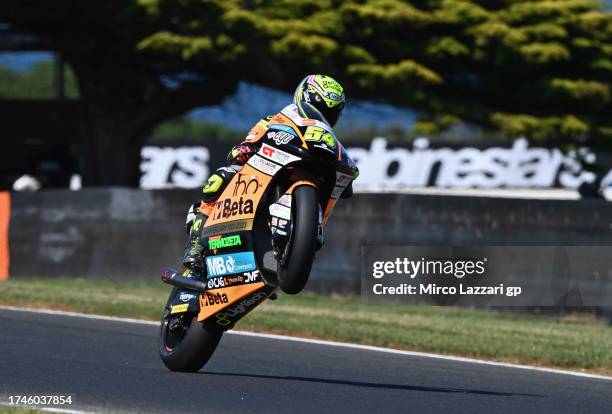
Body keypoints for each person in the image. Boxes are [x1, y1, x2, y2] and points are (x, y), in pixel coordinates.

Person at [182, 74, 348, 273]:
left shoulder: (328, 139)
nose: (326, 114)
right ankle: (195, 245)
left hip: (303, 171)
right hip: (261, 171)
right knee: (220, 178)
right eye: (321, 107)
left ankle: (288, 247)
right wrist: (244, 149)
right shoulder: (275, 120)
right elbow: (243, 147)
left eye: (332, 111)